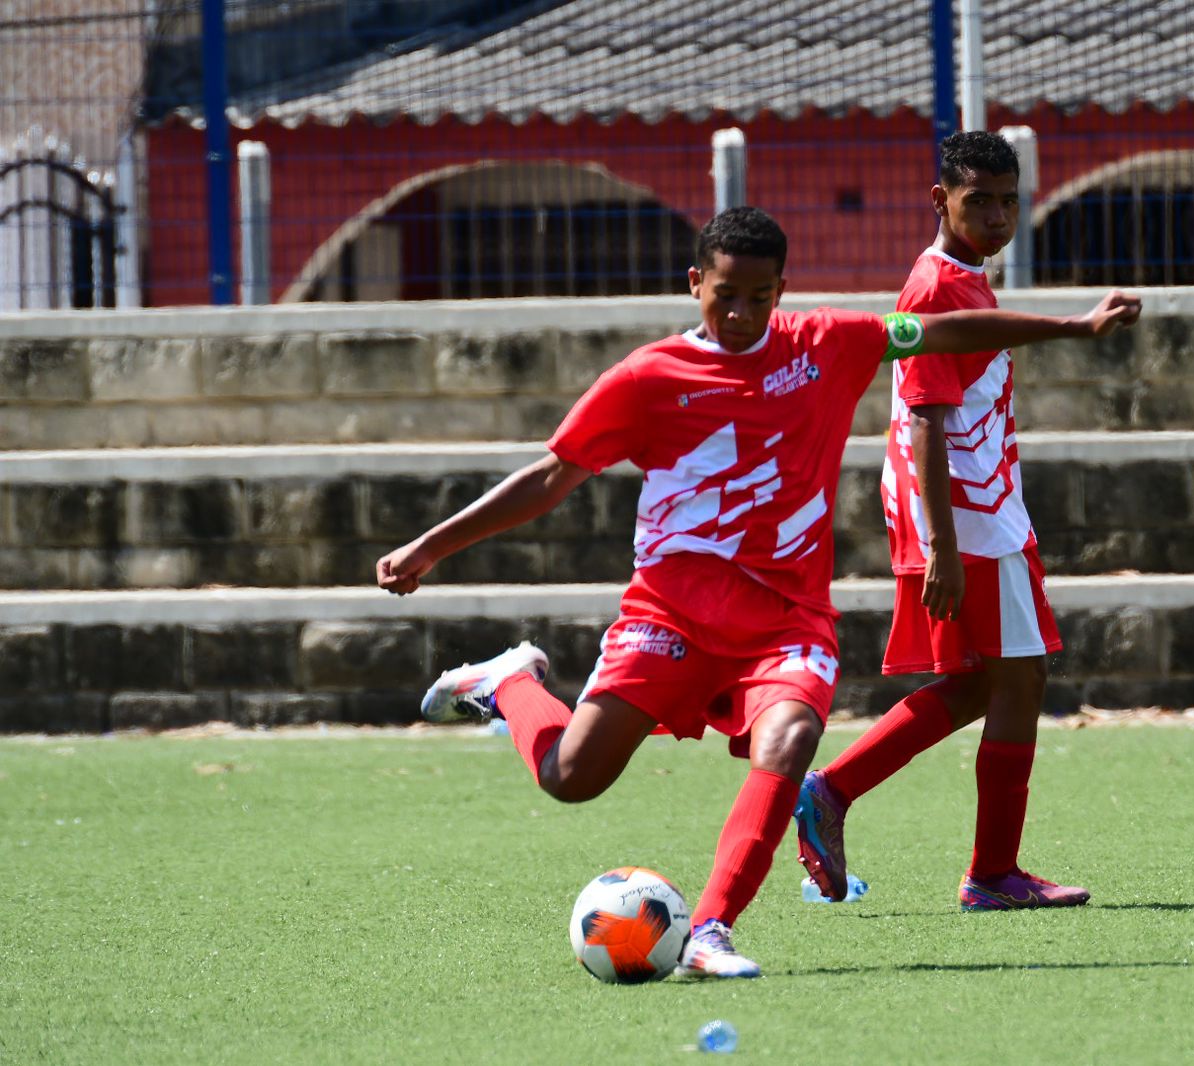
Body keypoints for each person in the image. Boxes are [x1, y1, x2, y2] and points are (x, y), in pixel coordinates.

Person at [377, 206, 1141, 978]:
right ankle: (510, 683)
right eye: (724, 294)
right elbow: (550, 477)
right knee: (570, 779)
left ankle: (709, 930)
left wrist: (1073, 329)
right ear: (694, 284)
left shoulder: (826, 344)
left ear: (784, 289)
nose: (740, 312)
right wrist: (428, 546)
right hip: (669, 614)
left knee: (791, 737)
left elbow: (940, 331)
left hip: (788, 620)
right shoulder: (648, 378)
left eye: (759, 296)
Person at [792, 131, 1102, 907]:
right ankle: (992, 873)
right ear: (940, 201)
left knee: (976, 684)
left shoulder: (964, 277)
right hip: (968, 518)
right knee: (1020, 676)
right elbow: (925, 421)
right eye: (978, 202)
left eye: (1007, 201)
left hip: (980, 508)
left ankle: (831, 791)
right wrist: (943, 548)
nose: (996, 216)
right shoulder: (936, 290)